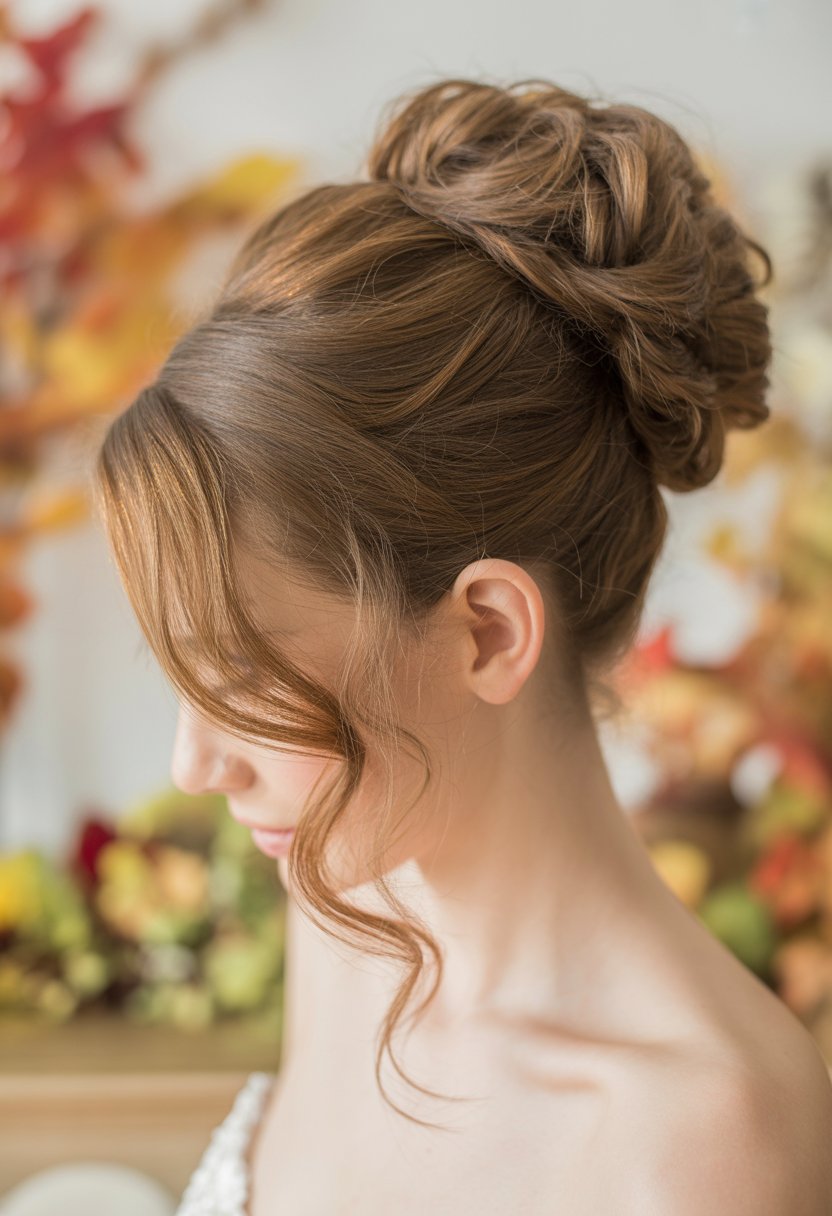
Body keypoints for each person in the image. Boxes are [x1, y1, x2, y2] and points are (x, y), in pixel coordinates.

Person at [94, 75, 832, 1214]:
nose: (195, 765)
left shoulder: (699, 1145)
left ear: (486, 630)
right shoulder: (348, 920)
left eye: (239, 674)